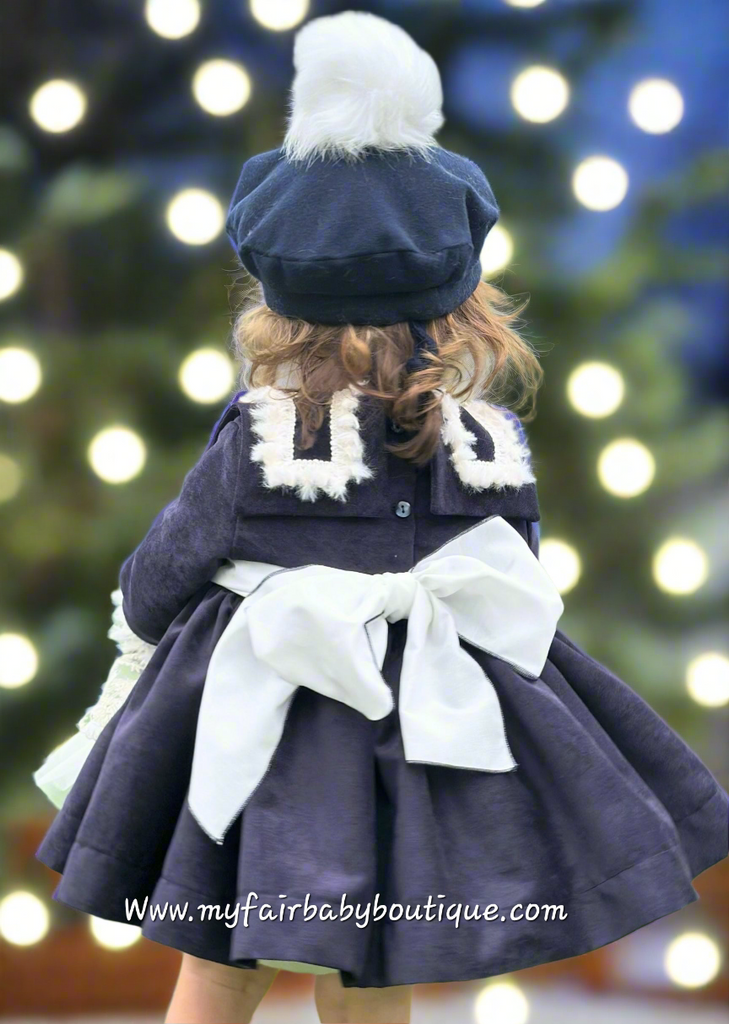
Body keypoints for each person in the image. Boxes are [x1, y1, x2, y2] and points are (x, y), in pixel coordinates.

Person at [33, 11, 728, 1024]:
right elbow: (518, 585)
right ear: (460, 304)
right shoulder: (485, 443)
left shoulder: (262, 434)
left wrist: (140, 644)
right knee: (375, 966)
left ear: (277, 302)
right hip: (415, 751)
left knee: (221, 963)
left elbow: (162, 571)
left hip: (268, 736)